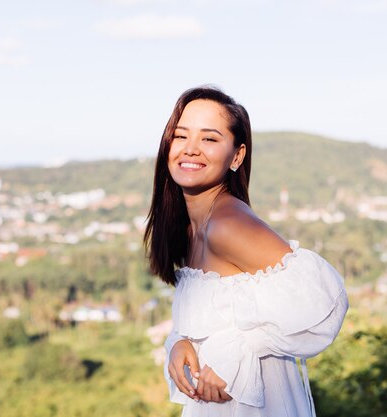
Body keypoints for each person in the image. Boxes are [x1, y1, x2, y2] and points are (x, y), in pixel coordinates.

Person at [144, 85, 348, 417]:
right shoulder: (189, 226)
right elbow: (220, 310)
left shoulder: (227, 224)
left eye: (209, 139)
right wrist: (181, 340)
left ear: (236, 156)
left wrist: (238, 352)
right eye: (181, 136)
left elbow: (325, 301)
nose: (191, 149)